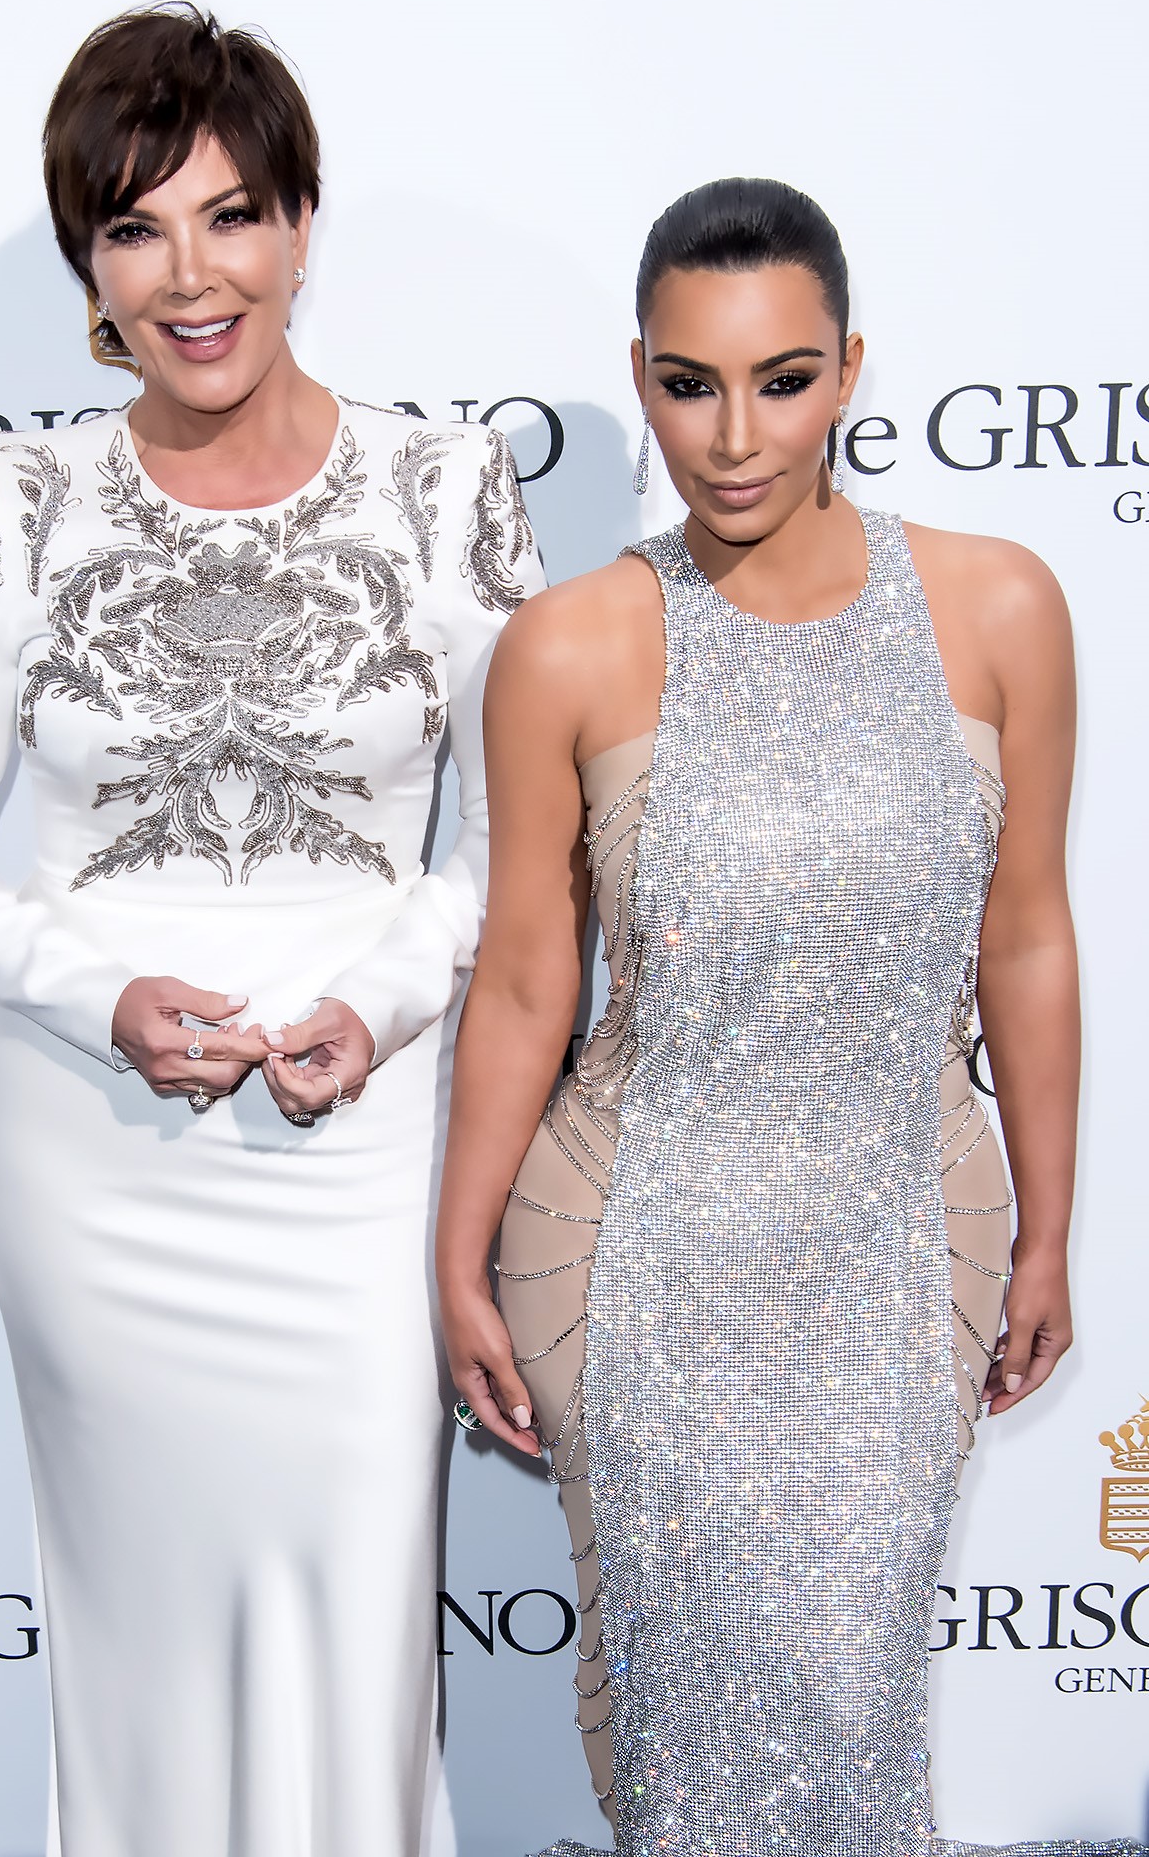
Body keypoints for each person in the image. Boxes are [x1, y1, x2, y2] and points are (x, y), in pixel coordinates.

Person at [0, 3, 544, 1857]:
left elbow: (516, 843)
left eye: (232, 215)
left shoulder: (447, 487)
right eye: (135, 228)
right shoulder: (20, 502)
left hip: (363, 1152)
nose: (191, 275)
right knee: (140, 1652)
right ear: (89, 266)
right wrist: (97, 996)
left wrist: (377, 1004)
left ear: (303, 225)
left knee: (356, 1623)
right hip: (93, 1163)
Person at [437, 180, 1144, 1857]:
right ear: (641, 377)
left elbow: (1028, 938)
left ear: (851, 372)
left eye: (783, 379)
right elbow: (528, 978)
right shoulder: (567, 646)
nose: (737, 436)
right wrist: (456, 1259)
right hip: (630, 1249)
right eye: (691, 385)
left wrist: (1051, 1231)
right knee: (685, 1734)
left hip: (902, 1235)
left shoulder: (1001, 607)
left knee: (848, 1699)